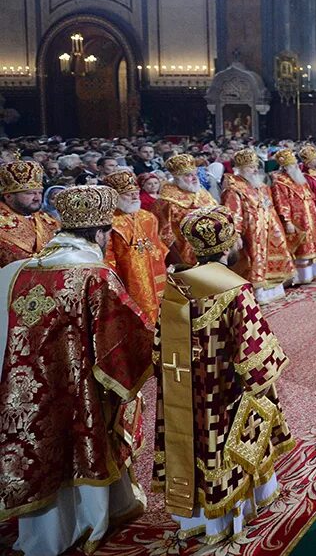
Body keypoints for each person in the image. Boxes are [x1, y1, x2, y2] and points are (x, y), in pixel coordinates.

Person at [0, 185, 153, 556]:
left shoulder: (15, 272)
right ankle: (92, 519)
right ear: (99, 234)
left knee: (39, 452)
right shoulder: (94, 274)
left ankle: (43, 536)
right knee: (86, 440)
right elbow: (127, 338)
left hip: (26, 393)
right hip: (79, 389)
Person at [155, 205, 294, 546]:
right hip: (223, 387)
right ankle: (235, 510)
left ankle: (195, 516)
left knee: (192, 440)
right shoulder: (235, 288)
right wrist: (263, 381)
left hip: (184, 385)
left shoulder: (175, 287)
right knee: (227, 440)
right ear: (229, 243)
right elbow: (254, 350)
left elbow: (159, 345)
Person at [220, 149, 293, 304]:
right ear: (241, 168)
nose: (255, 170)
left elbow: (268, 204)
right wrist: (236, 234)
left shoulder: (259, 185)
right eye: (251, 167)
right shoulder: (234, 188)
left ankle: (273, 291)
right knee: (254, 260)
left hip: (268, 228)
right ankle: (256, 294)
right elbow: (233, 213)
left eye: (255, 166)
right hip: (251, 232)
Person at [102, 170, 169, 323]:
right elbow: (108, 256)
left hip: (156, 273)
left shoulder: (148, 217)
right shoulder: (109, 223)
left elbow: (158, 246)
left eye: (136, 192)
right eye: (128, 193)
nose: (134, 196)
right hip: (129, 277)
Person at [270, 148, 316, 285]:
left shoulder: (299, 177)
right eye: (292, 165)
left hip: (310, 214)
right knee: (301, 249)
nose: (296, 167)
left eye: (295, 164)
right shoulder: (280, 181)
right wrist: (287, 221)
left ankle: (314, 272)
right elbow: (281, 202)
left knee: (314, 245)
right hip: (296, 218)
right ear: (285, 167)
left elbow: (310, 194)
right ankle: (301, 277)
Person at [155, 154, 217, 267]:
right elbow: (164, 235)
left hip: (212, 247)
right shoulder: (166, 201)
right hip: (185, 252)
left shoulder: (202, 192)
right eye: (188, 175)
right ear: (177, 178)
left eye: (195, 174)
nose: (194, 178)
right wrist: (177, 260)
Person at [0, 160, 59, 266]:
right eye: (30, 193)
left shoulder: (49, 220)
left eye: (39, 193)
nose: (37, 198)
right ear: (8, 196)